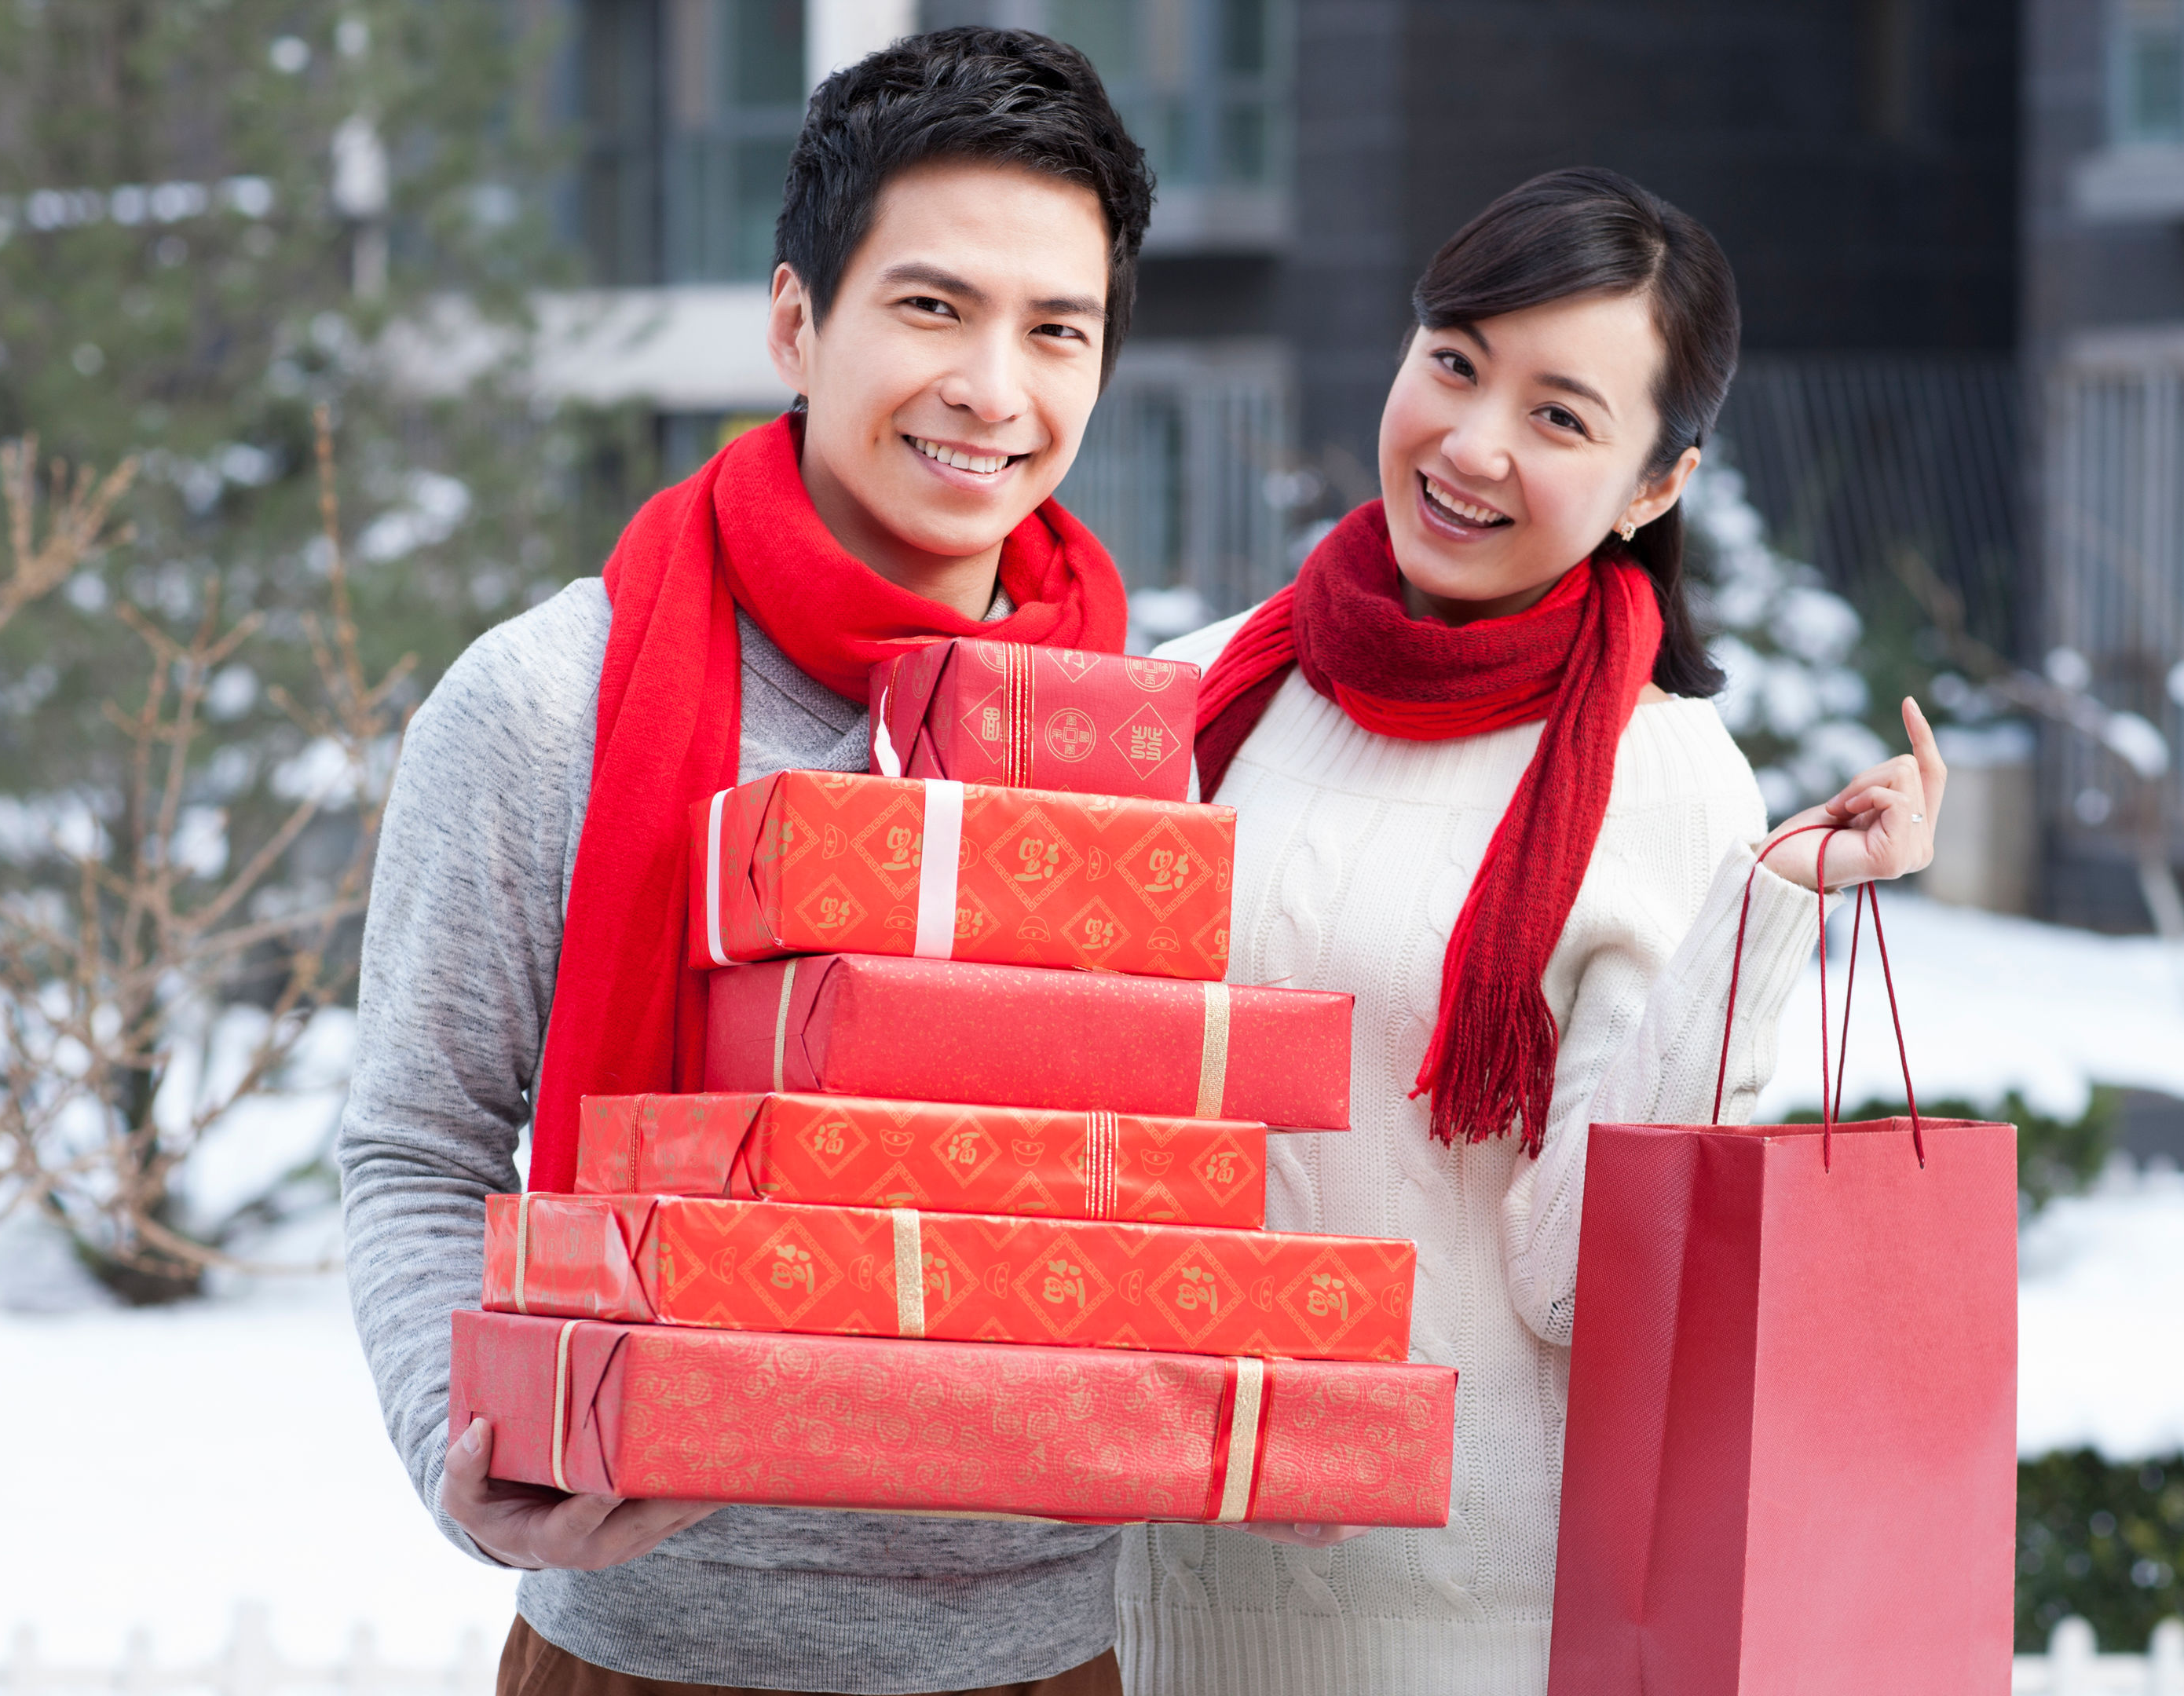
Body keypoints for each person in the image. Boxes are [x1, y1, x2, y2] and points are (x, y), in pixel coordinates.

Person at [337, 29, 1151, 1696]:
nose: (996, 390)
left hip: (1058, 1655)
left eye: (1055, 330)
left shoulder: (1147, 733)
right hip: (647, 1648)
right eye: (932, 307)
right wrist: (466, 1434)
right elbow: (419, 1144)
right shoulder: (547, 705)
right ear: (796, 322)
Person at [1116, 167, 1948, 1694]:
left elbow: (1590, 1285)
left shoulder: (1659, 774)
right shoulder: (1198, 687)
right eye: (1454, 361)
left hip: (1458, 1626)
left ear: (1655, 486)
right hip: (1150, 1580)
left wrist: (1766, 922)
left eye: (1562, 416)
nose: (1474, 444)